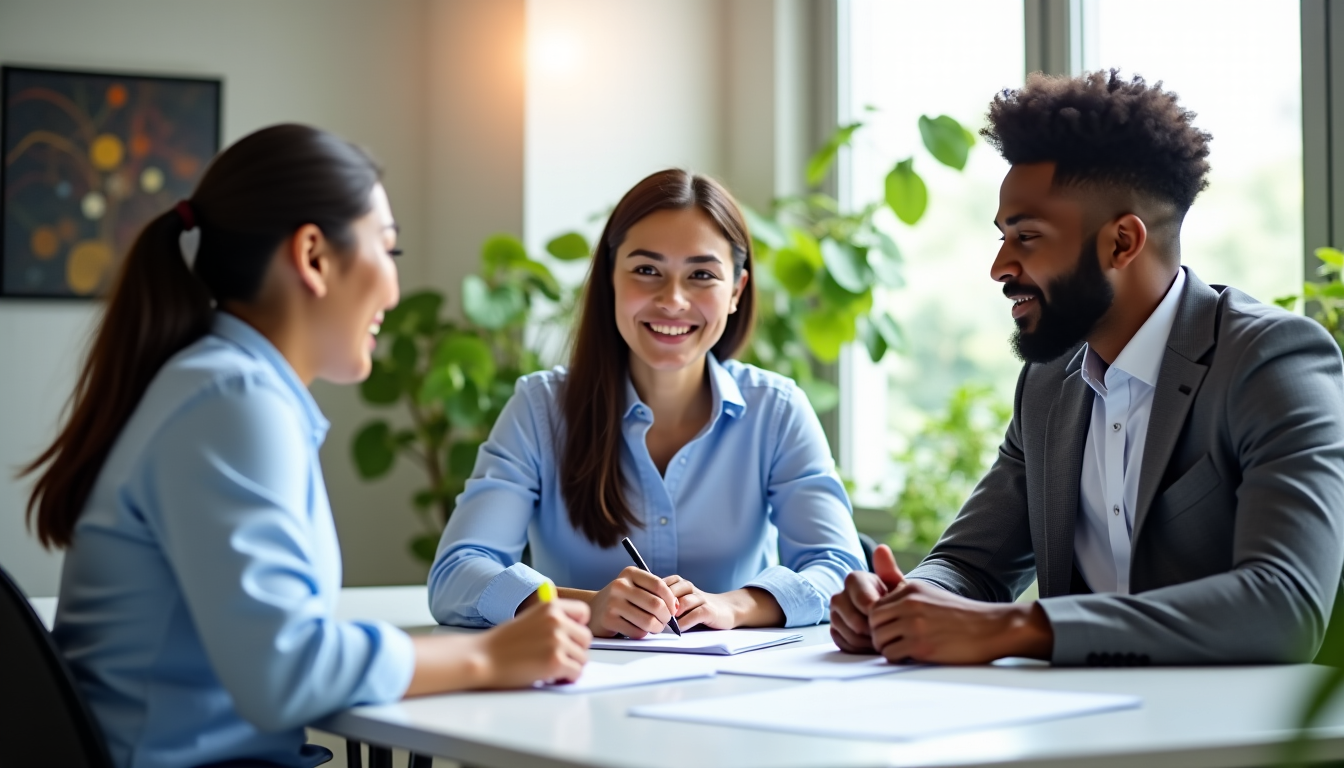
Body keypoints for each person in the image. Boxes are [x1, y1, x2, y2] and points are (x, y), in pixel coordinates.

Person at [22, 124, 592, 768]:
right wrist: (488, 655)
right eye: (388, 249)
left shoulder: (222, 388)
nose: (394, 289)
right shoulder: (232, 400)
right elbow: (287, 670)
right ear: (314, 257)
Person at [831, 70, 1344, 666]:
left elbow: (1284, 606)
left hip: (1232, 721)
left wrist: (1019, 627)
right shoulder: (1048, 381)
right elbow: (972, 564)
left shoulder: (1270, 360)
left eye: (1027, 237)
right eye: (1002, 238)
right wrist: (904, 602)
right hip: (1076, 715)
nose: (1000, 267)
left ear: (1122, 242)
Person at [428, 169, 865, 638]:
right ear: (610, 280)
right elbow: (457, 573)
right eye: (646, 270)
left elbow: (841, 569)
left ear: (736, 291)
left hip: (736, 677)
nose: (672, 300)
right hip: (578, 677)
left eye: (701, 275)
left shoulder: (777, 411)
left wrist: (733, 606)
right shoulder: (539, 408)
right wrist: (585, 607)